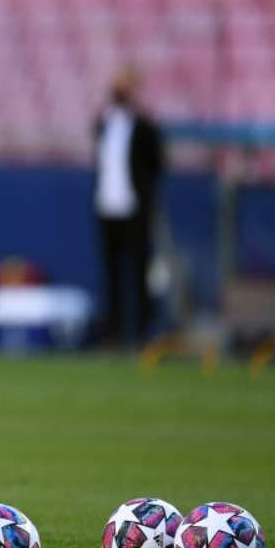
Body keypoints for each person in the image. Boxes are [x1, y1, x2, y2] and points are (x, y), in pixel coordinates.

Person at [93, 65, 164, 346]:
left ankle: (144, 331)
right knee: (111, 272)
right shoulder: (103, 123)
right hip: (106, 206)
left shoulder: (144, 127)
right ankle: (114, 332)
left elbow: (157, 164)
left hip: (134, 207)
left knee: (140, 271)